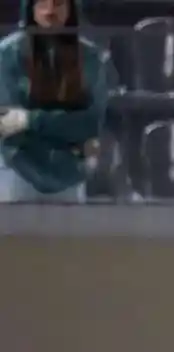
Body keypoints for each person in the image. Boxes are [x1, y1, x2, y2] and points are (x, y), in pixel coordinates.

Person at [0, 0, 109, 203]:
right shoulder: (6, 54)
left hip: (71, 174)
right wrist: (65, 128)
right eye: (43, 3)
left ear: (71, 8)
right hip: (17, 175)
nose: (50, 11)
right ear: (30, 7)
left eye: (58, 3)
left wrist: (30, 120)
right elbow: (7, 126)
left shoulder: (91, 57)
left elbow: (89, 124)